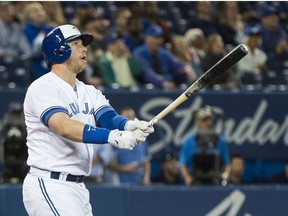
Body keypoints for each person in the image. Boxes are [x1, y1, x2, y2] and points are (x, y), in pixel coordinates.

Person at [22, 24, 154, 216]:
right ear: (59, 50)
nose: (84, 49)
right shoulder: (43, 87)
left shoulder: (88, 90)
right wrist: (113, 137)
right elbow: (63, 126)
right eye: (76, 44)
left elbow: (108, 118)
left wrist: (129, 125)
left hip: (78, 187)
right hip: (50, 183)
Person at [178, 107, 230, 185]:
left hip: (215, 181)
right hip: (195, 180)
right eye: (204, 120)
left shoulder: (220, 140)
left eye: (210, 120)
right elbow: (182, 164)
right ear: (196, 122)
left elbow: (226, 164)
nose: (208, 123)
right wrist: (188, 179)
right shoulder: (188, 142)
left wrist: (224, 178)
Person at [133, 25, 190, 89]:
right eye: (155, 38)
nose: (159, 41)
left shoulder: (163, 53)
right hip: (147, 88)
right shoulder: (139, 52)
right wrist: (161, 82)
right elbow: (147, 73)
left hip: (167, 85)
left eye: (160, 38)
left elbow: (177, 64)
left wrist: (185, 68)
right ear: (147, 38)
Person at [113, 107, 151, 185]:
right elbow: (107, 163)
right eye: (126, 118)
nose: (130, 120)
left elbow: (146, 160)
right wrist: (125, 169)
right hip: (119, 183)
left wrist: (146, 178)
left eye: (131, 117)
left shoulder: (141, 137)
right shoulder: (113, 136)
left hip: (139, 182)